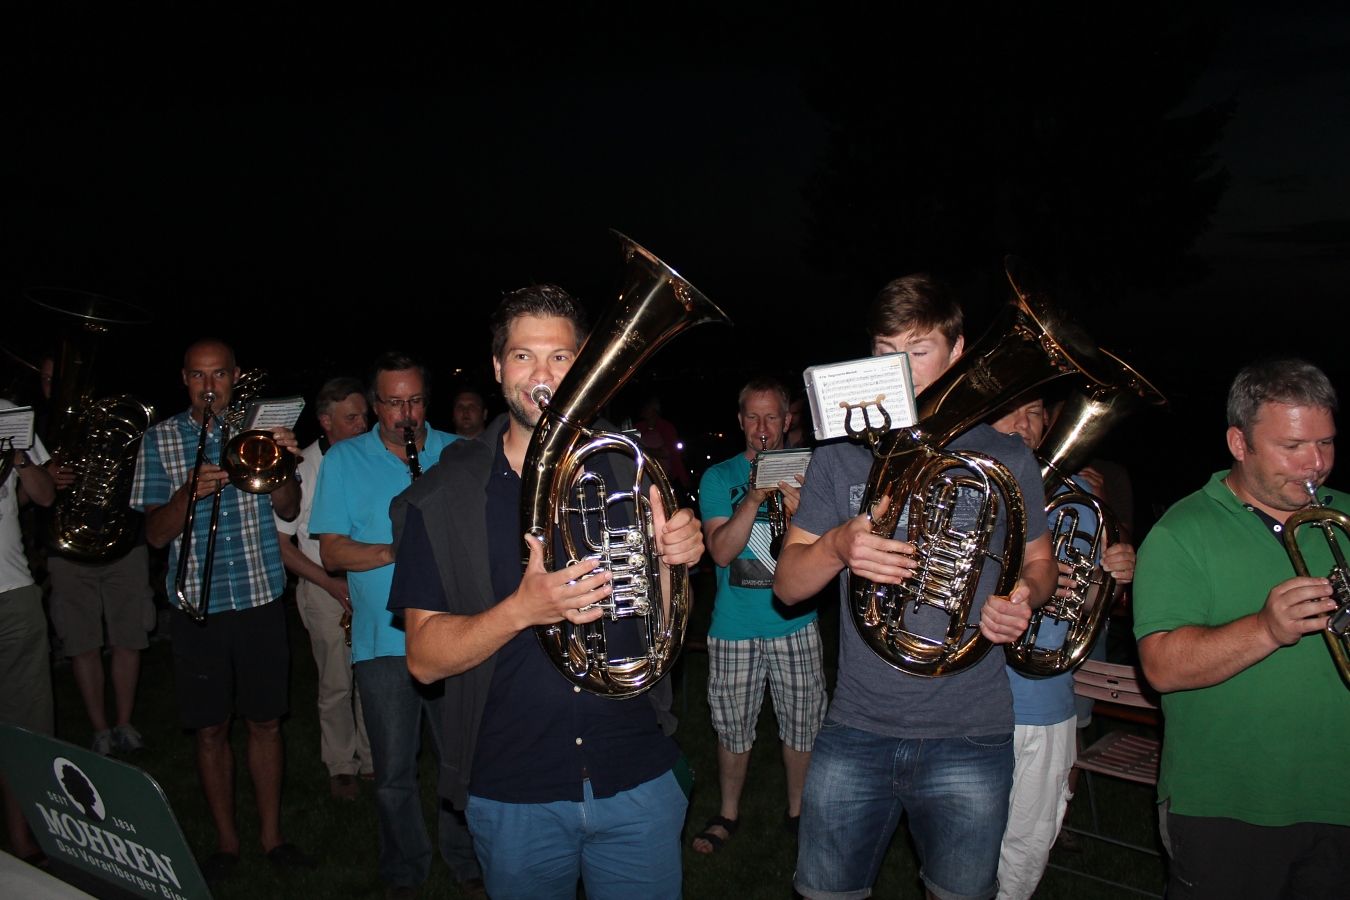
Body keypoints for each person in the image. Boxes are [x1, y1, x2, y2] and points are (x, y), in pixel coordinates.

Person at [387, 284, 705, 900]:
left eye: (560, 357)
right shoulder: (440, 496)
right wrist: (521, 610)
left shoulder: (627, 468)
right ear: (497, 367)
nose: (542, 374)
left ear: (583, 364)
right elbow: (423, 659)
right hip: (514, 790)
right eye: (523, 356)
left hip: (636, 774)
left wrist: (675, 557)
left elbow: (658, 625)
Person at [773, 273, 1057, 900]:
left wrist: (1023, 598)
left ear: (958, 352)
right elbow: (788, 587)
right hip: (856, 726)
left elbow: (1041, 564)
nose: (898, 368)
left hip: (972, 732)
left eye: (918, 349)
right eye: (884, 350)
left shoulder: (1008, 456)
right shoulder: (840, 453)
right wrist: (837, 546)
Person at [1133, 357, 1350, 898]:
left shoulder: (1345, 516)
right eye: (1292, 446)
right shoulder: (1181, 532)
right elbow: (1160, 667)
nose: (1316, 464)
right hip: (1228, 806)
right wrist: (1266, 629)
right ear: (1239, 443)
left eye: (1325, 443)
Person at [129, 338, 314, 881]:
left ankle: (272, 837)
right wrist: (186, 496)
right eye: (197, 376)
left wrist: (284, 465)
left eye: (219, 375)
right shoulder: (160, 439)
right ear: (184, 379)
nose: (209, 387)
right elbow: (155, 535)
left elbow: (289, 509)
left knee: (266, 722)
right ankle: (227, 843)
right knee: (210, 729)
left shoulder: (259, 430)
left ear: (235, 377)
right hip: (199, 606)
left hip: (259, 598)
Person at [308, 353, 482, 898]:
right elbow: (332, 553)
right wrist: (395, 551)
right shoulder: (344, 459)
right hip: (383, 642)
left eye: (415, 401)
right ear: (374, 403)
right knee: (392, 774)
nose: (405, 414)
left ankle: (468, 862)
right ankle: (404, 870)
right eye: (392, 403)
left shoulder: (458, 452)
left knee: (462, 762)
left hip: (454, 635)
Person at [987, 396, 1136, 900]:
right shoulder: (967, 486)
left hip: (1046, 696)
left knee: (1028, 845)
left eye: (1034, 412)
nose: (1022, 424)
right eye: (1009, 410)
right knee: (961, 846)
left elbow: (1089, 603)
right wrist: (1030, 578)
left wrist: (1109, 579)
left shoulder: (1082, 499)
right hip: (971, 695)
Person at [691, 376, 826, 854]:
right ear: (740, 420)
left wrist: (803, 508)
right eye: (753, 416)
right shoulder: (719, 477)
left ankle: (798, 812)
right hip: (734, 627)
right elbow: (721, 553)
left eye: (772, 417)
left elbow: (827, 550)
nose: (763, 427)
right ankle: (728, 813)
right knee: (732, 728)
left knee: (803, 726)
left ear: (788, 420)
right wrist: (752, 497)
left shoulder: (812, 472)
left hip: (795, 623)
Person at [41, 351, 156, 759]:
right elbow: (29, 493)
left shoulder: (111, 420)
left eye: (65, 377)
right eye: (50, 378)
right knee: (82, 643)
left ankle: (124, 723)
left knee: (129, 637)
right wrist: (45, 475)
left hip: (124, 543)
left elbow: (143, 472)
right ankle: (100, 729)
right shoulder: (36, 428)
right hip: (68, 550)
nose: (58, 386)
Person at [274, 376, 373, 800]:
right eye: (351, 418)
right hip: (322, 586)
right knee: (336, 681)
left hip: (367, 583)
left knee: (372, 676)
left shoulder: (370, 459)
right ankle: (340, 764)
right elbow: (282, 545)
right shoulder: (304, 467)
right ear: (326, 421)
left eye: (364, 416)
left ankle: (373, 757)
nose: (362, 425)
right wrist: (331, 585)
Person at [0, 400, 56, 865]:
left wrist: (19, 458)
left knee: (25, 725)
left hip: (13, 592)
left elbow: (44, 496)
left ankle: (24, 839)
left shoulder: (8, 416)